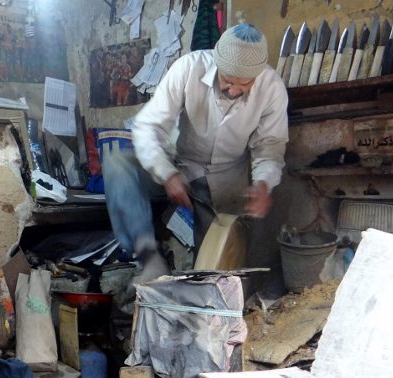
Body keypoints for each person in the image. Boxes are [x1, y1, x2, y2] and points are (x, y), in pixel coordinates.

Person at [103, 23, 288, 279]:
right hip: (179, 166)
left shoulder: (272, 88)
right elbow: (147, 127)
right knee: (118, 163)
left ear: (257, 76)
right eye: (227, 80)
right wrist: (167, 174)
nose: (233, 90)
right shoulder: (189, 68)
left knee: (215, 277)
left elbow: (270, 147)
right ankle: (148, 255)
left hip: (226, 184)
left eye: (244, 84)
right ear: (217, 60)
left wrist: (263, 184)